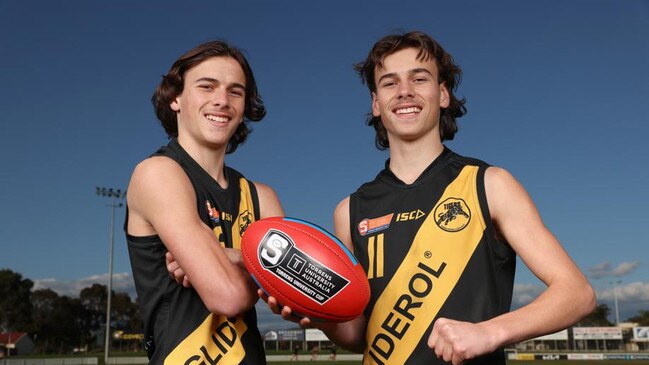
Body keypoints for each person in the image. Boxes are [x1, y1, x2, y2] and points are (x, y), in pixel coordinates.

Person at [264, 31, 595, 364]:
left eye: (419, 79)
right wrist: (317, 312)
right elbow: (357, 335)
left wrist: (490, 332)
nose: (404, 92)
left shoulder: (489, 184)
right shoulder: (350, 209)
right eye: (389, 83)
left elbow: (577, 293)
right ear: (376, 103)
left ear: (443, 94)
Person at [125, 40, 284, 365]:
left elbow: (296, 291)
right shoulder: (157, 174)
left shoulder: (261, 197)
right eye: (207, 86)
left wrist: (231, 257)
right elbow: (228, 296)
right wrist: (262, 270)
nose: (222, 100)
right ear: (175, 99)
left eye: (235, 91)